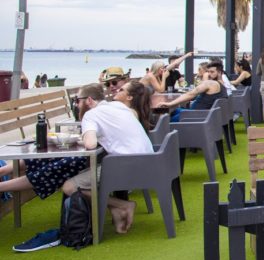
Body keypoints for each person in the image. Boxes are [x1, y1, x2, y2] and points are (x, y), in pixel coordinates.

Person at [0, 82, 154, 237]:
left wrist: (87, 134)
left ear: (88, 101)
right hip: (147, 163)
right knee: (61, 166)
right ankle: (116, 207)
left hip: (127, 166)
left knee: (69, 186)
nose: (76, 104)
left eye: (77, 100)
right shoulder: (118, 107)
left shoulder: (91, 114)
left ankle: (122, 205)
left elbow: (90, 144)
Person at [155, 59, 227, 119]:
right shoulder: (222, 84)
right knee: (172, 111)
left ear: (219, 72)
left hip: (193, 116)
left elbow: (190, 94)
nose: (209, 74)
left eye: (212, 72)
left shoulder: (210, 83)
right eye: (208, 72)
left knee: (163, 119)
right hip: (201, 115)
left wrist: (169, 104)